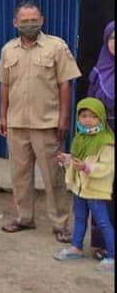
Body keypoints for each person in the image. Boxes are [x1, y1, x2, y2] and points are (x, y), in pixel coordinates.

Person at [0, 1, 81, 243]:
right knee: (19, 174)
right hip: (17, 123)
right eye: (24, 21)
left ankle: (60, 223)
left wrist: (64, 118)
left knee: (53, 177)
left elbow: (65, 83)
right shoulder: (8, 50)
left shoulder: (57, 47)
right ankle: (24, 218)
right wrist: (3, 115)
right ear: (15, 23)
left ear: (42, 20)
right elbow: (4, 85)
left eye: (34, 20)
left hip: (47, 123)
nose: (29, 24)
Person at [52, 98, 114, 273]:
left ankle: (113, 256)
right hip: (80, 188)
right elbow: (77, 161)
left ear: (101, 118)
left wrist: (86, 167)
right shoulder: (80, 138)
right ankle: (76, 248)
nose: (87, 120)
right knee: (79, 219)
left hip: (95, 190)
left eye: (93, 117)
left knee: (103, 223)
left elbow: (107, 167)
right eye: (84, 116)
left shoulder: (106, 142)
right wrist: (67, 159)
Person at [87, 20, 114, 260]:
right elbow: (90, 107)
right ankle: (103, 243)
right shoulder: (98, 72)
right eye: (112, 38)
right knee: (103, 189)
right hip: (102, 139)